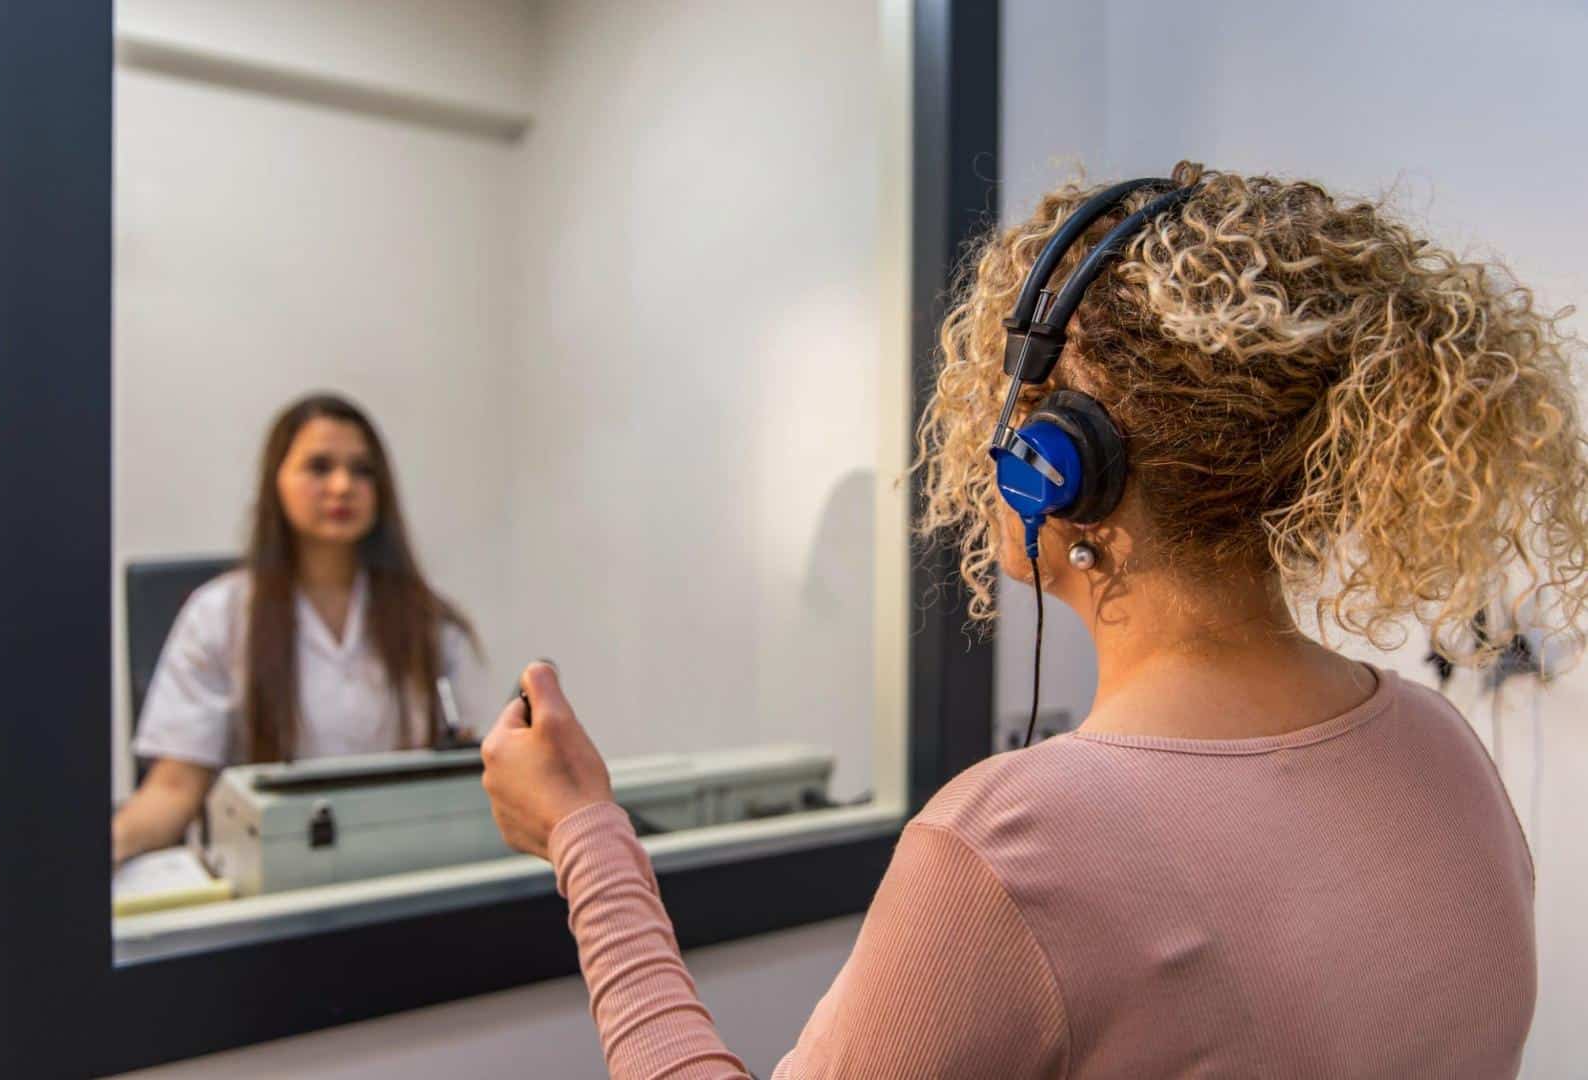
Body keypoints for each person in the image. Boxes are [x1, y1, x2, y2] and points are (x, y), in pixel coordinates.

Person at [479, 164, 1585, 1076]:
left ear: (1062, 469)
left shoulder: (1021, 844)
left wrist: (585, 836)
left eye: (1008, 408)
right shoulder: (1442, 750)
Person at [113, 393, 488, 867]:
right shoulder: (220, 614)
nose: (342, 486)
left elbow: (473, 773)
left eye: (361, 470)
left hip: (398, 867)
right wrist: (110, 845)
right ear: (277, 483)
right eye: (319, 466)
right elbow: (173, 789)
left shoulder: (429, 621)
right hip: (267, 876)